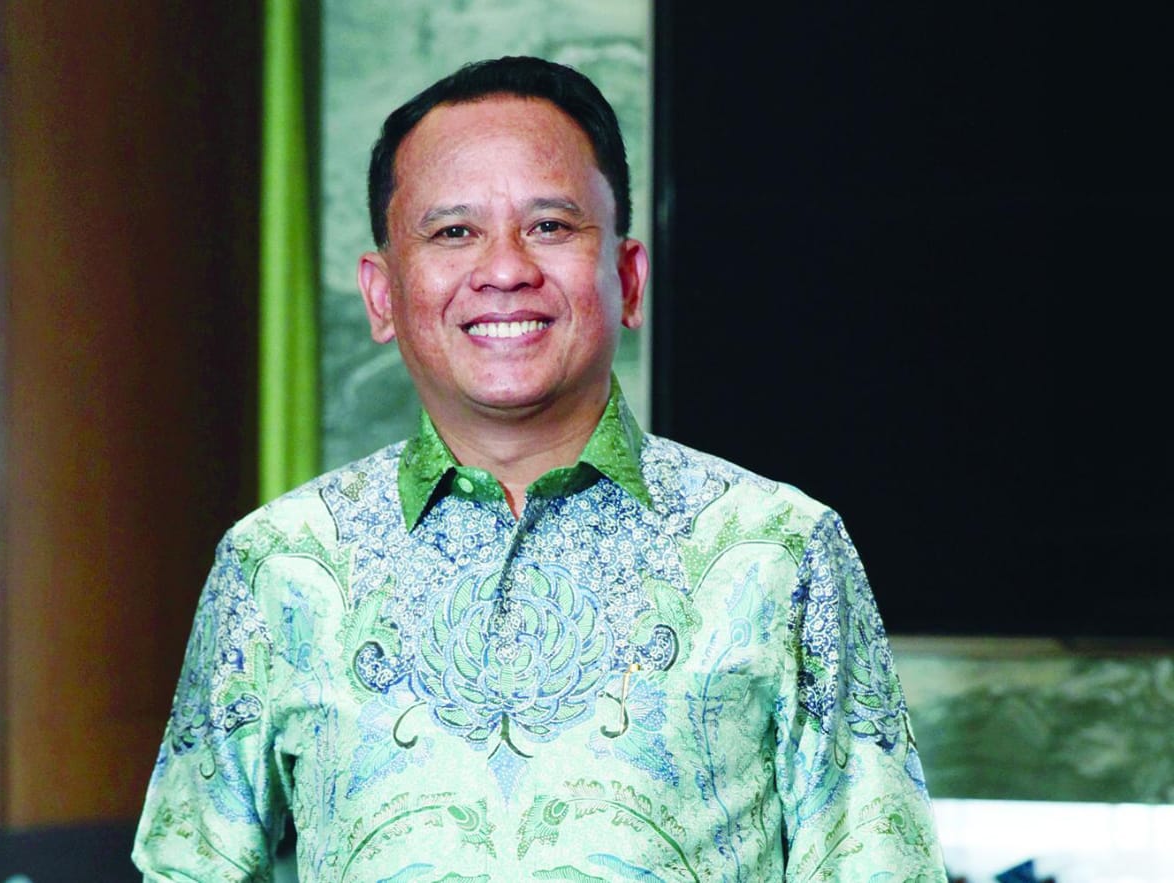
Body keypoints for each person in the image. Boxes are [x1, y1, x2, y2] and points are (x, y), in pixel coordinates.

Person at [133, 56, 947, 881]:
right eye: (454, 232)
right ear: (381, 297)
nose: (505, 269)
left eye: (551, 226)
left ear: (627, 278)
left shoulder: (780, 550)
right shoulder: (275, 564)